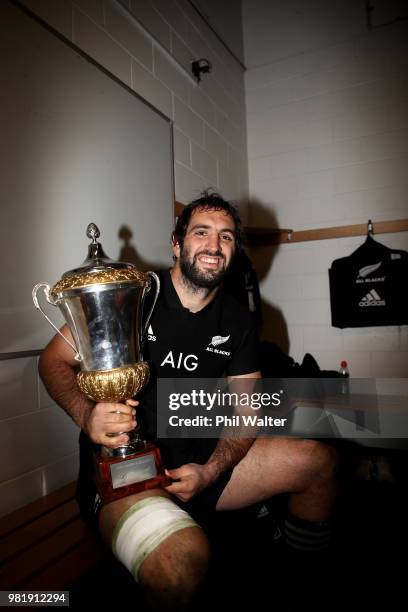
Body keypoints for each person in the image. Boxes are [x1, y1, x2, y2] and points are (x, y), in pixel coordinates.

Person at [39, 191, 337, 609]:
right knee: (180, 567)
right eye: (202, 232)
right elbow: (52, 361)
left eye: (227, 237)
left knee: (317, 462)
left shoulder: (237, 318)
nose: (215, 246)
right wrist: (85, 413)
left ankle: (300, 585)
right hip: (127, 474)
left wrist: (212, 470)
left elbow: (248, 410)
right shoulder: (135, 294)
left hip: (199, 462)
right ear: (176, 245)